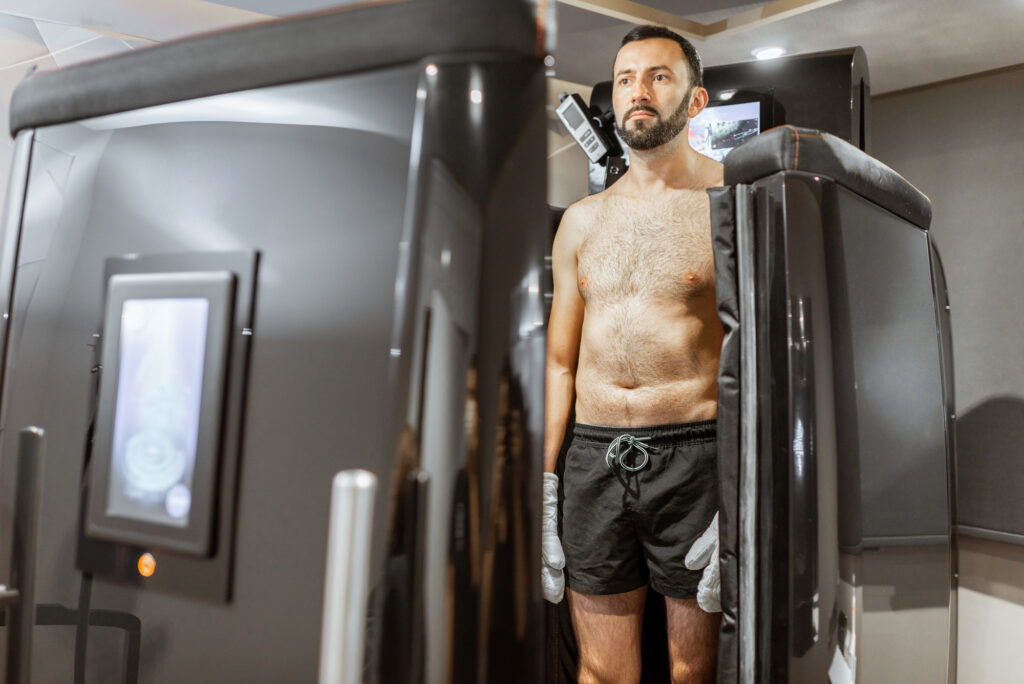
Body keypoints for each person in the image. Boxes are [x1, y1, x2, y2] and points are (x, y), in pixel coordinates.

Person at [541, 24, 723, 684]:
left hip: (694, 458)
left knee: (689, 671)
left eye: (658, 77)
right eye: (625, 79)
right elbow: (559, 364)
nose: (638, 91)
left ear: (695, 101)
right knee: (600, 671)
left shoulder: (730, 205)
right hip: (590, 460)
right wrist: (546, 483)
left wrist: (740, 492)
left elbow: (753, 360)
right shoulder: (581, 222)